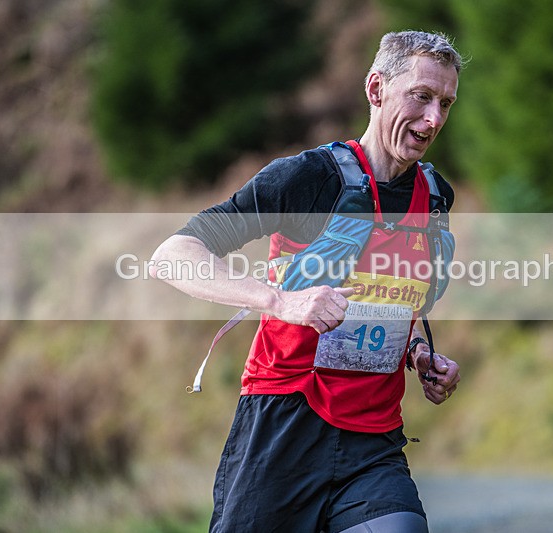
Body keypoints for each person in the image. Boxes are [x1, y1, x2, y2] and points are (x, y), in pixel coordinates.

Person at [151, 30, 463, 533]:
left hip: (373, 441)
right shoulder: (307, 178)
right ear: (376, 88)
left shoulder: (435, 195)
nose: (434, 119)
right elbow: (173, 256)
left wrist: (417, 356)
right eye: (421, 97)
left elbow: (388, 299)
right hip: (284, 425)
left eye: (445, 103)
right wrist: (281, 301)